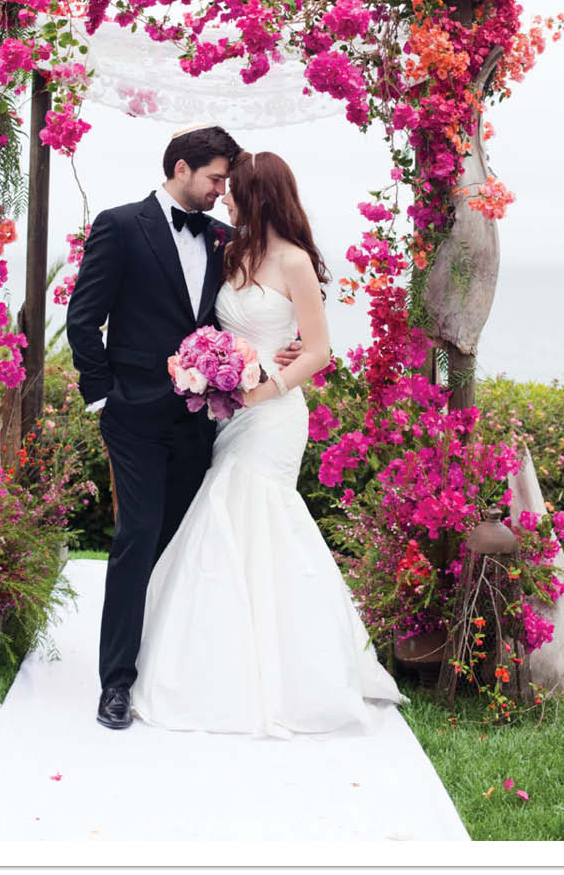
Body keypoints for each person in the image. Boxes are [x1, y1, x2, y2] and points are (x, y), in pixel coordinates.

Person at [130, 149, 408, 738]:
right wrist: (214, 371)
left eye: (233, 190)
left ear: (258, 196)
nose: (224, 197)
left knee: (248, 511)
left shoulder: (295, 263)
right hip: (227, 413)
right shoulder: (227, 252)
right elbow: (210, 325)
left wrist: (266, 386)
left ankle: (287, 673)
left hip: (274, 414)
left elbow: (318, 350)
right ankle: (217, 658)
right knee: (228, 518)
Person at [66, 126, 301, 730]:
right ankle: (115, 683)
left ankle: (177, 670)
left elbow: (254, 310)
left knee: (189, 546)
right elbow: (84, 320)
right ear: (181, 169)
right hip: (134, 417)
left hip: (207, 423)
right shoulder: (120, 225)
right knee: (137, 538)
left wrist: (285, 346)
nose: (224, 190)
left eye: (227, 181)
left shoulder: (226, 240)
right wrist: (102, 400)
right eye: (216, 179)